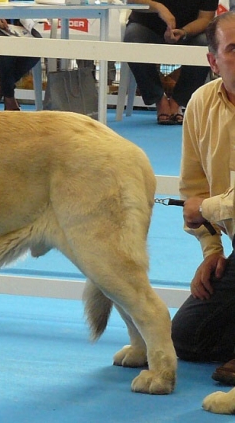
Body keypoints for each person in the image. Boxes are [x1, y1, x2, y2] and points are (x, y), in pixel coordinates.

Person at [172, 11, 235, 386]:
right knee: (188, 338)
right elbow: (192, 190)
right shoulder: (199, 104)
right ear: (212, 62)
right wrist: (212, 253)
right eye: (234, 49)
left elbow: (201, 205)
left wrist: (205, 209)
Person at [124, 0, 217, 125]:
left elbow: (206, 19)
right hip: (145, 28)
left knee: (204, 45)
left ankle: (178, 101)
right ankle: (159, 99)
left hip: (188, 33)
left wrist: (184, 32)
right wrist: (159, 7)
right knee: (132, 37)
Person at [0, 19, 42, 111]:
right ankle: (9, 98)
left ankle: (2, 87)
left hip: (21, 26)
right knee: (7, 46)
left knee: (39, 46)